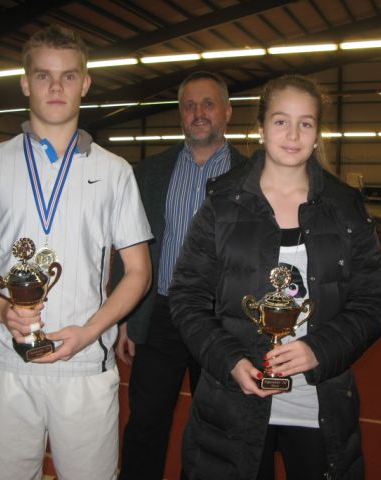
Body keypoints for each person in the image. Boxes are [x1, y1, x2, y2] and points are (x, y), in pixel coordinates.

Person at [0, 24, 152, 480]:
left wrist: (90, 332)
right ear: (25, 83)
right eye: (43, 76)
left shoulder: (116, 172)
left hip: (85, 369)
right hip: (5, 367)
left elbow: (138, 271)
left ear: (85, 84)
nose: (56, 87)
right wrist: (2, 309)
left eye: (68, 76)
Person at [168, 74, 381, 479]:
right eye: (280, 121)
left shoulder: (346, 207)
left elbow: (374, 301)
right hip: (234, 402)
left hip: (317, 404)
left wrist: (320, 349)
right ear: (260, 127)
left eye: (305, 123)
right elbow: (187, 297)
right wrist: (229, 359)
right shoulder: (222, 203)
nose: (293, 135)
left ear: (317, 133)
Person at [115, 71, 248, 480]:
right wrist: (125, 316)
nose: (198, 112)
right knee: (146, 420)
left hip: (223, 321)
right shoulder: (148, 173)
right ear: (180, 114)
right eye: (189, 105)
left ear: (227, 111)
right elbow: (128, 247)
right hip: (161, 315)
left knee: (217, 427)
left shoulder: (255, 176)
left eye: (208, 104)